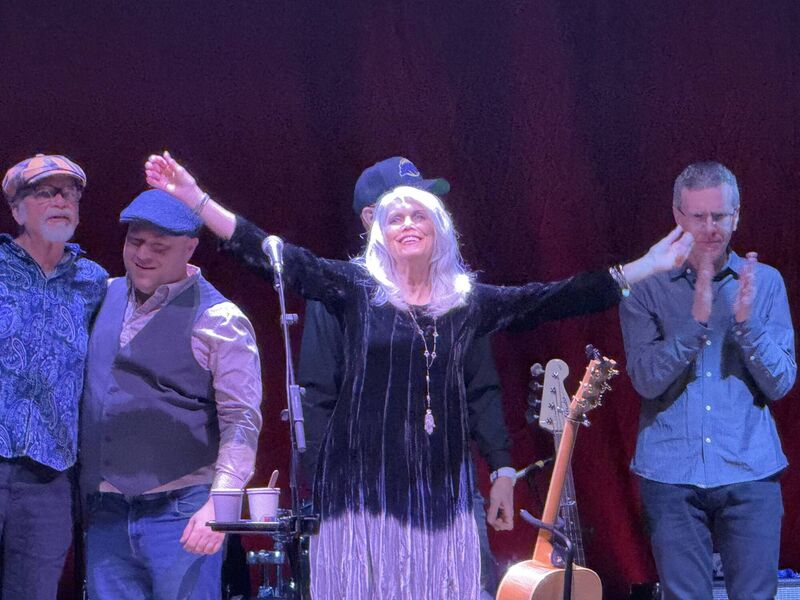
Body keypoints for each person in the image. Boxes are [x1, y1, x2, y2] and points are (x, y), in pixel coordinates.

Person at [144, 150, 692, 599]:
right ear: (378, 232)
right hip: (361, 496)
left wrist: (644, 268)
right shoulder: (354, 289)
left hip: (440, 497)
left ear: (440, 230)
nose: (408, 224)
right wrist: (197, 199)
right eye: (395, 217)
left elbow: (552, 299)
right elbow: (274, 256)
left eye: (419, 215)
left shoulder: (465, 303)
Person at [298, 156, 510, 596]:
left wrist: (503, 467)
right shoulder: (342, 295)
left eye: (426, 207)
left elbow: (481, 385)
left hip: (447, 487)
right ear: (372, 219)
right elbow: (317, 395)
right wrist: (324, 492)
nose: (419, 216)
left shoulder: (456, 297)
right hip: (365, 492)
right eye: (403, 208)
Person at [619, 161, 796, 600]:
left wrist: (747, 327)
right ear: (678, 216)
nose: (710, 227)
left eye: (720, 216)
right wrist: (695, 324)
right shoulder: (646, 286)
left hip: (749, 470)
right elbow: (645, 380)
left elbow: (780, 384)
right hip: (671, 474)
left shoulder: (765, 283)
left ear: (736, 215)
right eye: (699, 216)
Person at [79, 189, 263, 599]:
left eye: (159, 247)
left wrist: (221, 505)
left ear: (190, 248)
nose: (143, 254)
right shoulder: (100, 295)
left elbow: (242, 420)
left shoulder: (219, 320)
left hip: (181, 513)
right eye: (135, 242)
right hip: (107, 513)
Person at [0, 154, 107, 599]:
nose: (61, 201)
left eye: (70, 193)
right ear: (17, 209)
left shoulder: (94, 281)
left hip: (50, 474)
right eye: (46, 192)